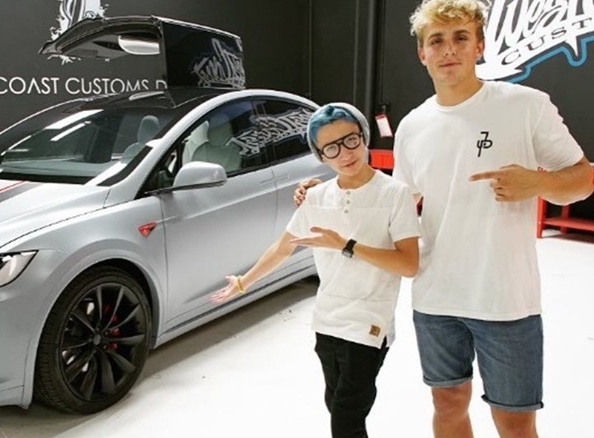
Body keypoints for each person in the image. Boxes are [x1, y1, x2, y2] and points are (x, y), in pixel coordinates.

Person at [295, 1, 594, 437]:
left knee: (514, 421)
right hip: (436, 297)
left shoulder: (525, 105)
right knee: (448, 402)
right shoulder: (414, 126)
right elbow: (391, 201)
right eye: (436, 40)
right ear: (422, 53)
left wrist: (536, 183)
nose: (448, 49)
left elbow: (583, 179)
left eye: (460, 38)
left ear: (480, 45)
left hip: (506, 298)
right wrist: (319, 193)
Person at [213, 102, 421, 437]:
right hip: (327, 320)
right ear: (321, 156)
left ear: (364, 137)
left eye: (350, 140)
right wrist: (243, 282)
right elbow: (284, 246)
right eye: (331, 148)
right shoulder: (317, 196)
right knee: (337, 405)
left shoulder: (395, 194)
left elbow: (408, 264)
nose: (345, 153)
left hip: (369, 323)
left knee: (346, 416)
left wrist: (346, 245)